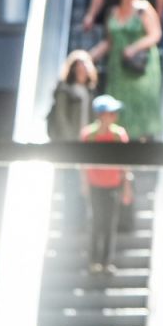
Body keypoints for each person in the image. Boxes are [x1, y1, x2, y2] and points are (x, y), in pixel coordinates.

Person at [89, 0, 163, 141]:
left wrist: (134, 47)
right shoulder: (112, 12)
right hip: (118, 67)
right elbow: (109, 41)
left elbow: (155, 34)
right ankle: (120, 141)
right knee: (118, 107)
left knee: (141, 106)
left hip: (139, 69)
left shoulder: (143, 9)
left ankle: (143, 143)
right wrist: (89, 57)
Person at [80, 94, 133, 273]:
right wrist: (84, 183)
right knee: (96, 221)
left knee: (110, 223)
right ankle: (93, 260)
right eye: (111, 113)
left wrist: (126, 186)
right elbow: (83, 162)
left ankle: (106, 261)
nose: (114, 116)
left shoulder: (119, 135)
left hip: (113, 184)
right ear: (101, 115)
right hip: (95, 184)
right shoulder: (89, 135)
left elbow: (125, 163)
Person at [47, 50, 99, 229]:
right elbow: (61, 117)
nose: (81, 70)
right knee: (70, 185)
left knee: (83, 186)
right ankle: (68, 225)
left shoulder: (89, 92)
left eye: (84, 66)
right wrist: (71, 143)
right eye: (78, 67)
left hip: (86, 146)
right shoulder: (64, 90)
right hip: (70, 146)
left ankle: (80, 224)